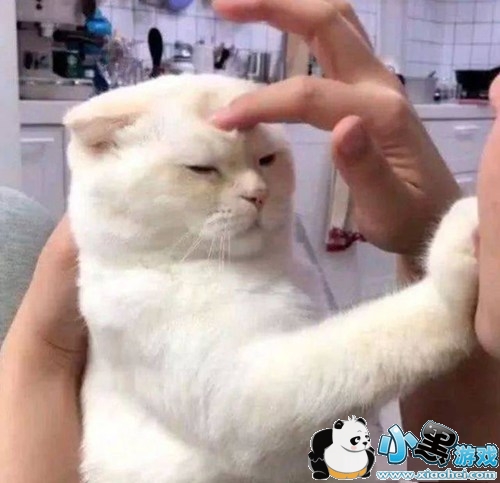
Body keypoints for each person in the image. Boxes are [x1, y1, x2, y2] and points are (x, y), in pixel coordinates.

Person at [0, 0, 498, 480]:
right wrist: (444, 305)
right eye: (201, 169)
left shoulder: (255, 268)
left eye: (267, 160)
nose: (255, 189)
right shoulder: (135, 294)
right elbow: (254, 418)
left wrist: (431, 264)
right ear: (102, 149)